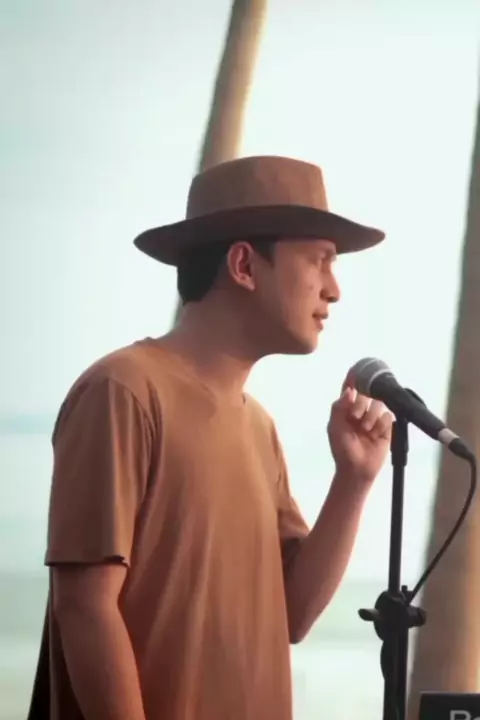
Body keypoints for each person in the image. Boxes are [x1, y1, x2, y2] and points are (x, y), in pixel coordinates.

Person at [29, 155, 392, 720]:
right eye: (319, 260)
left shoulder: (258, 427)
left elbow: (292, 615)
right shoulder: (124, 390)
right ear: (244, 264)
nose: (334, 290)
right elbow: (85, 606)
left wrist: (354, 480)